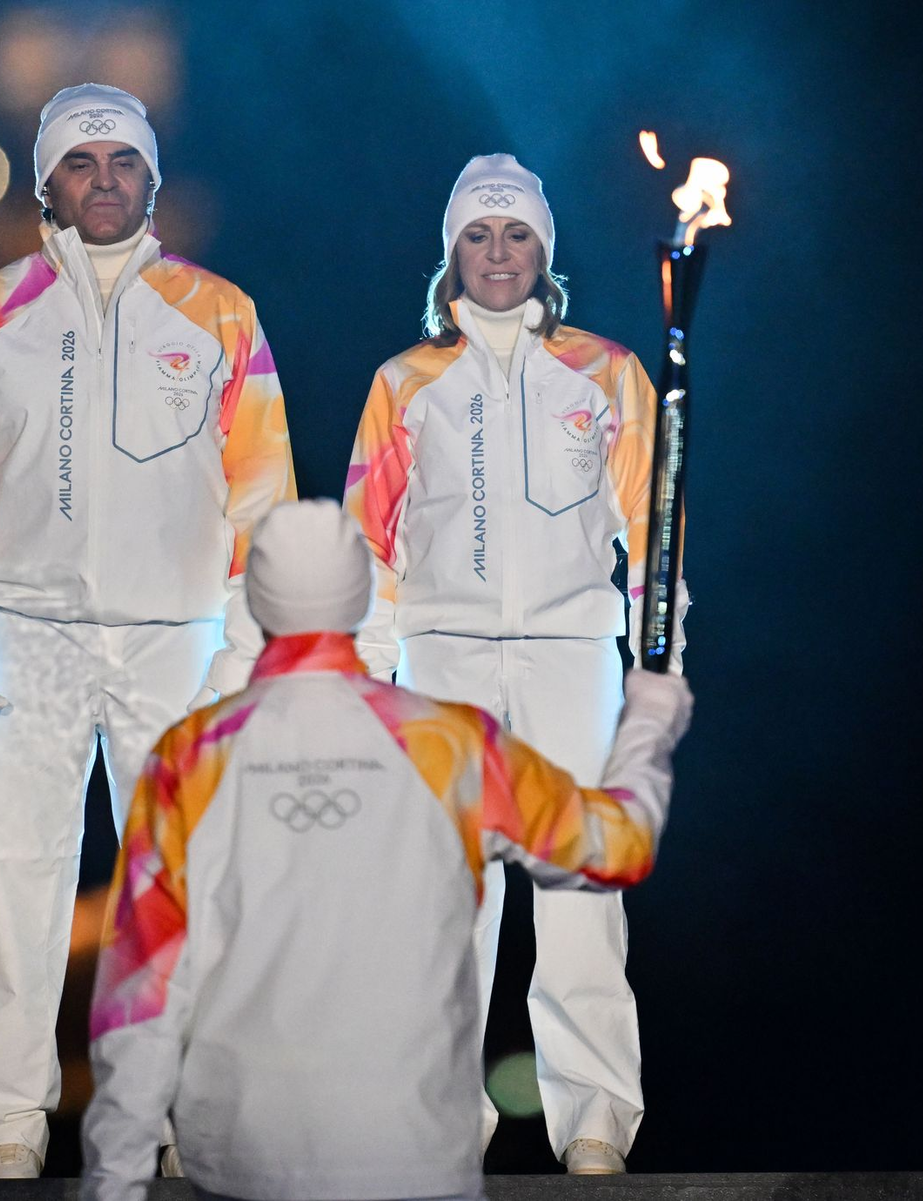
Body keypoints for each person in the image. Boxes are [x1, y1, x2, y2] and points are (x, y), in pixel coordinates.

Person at [0, 83, 295, 1179]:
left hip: (178, 638)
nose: (106, 178)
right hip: (25, 633)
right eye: (83, 162)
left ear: (153, 180)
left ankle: (181, 1118)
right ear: (48, 185)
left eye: (126, 161)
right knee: (13, 879)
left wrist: (245, 652)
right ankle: (4, 1124)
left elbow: (263, 501)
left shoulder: (221, 315)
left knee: (184, 885)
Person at [79, 499, 692, 1201]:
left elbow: (140, 994)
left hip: (243, 1162)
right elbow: (618, 847)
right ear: (366, 597)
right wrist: (647, 720)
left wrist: (114, 1183)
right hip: (414, 1159)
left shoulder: (189, 757)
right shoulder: (450, 743)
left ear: (254, 601)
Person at [342, 154, 690, 1173]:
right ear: (452, 252)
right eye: (479, 235)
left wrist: (661, 661)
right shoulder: (405, 383)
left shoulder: (609, 371)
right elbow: (371, 545)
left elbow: (652, 529)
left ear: (546, 250)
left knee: (582, 888)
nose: (499, 253)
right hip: (440, 662)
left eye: (518, 234)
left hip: (572, 654)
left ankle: (593, 1119)